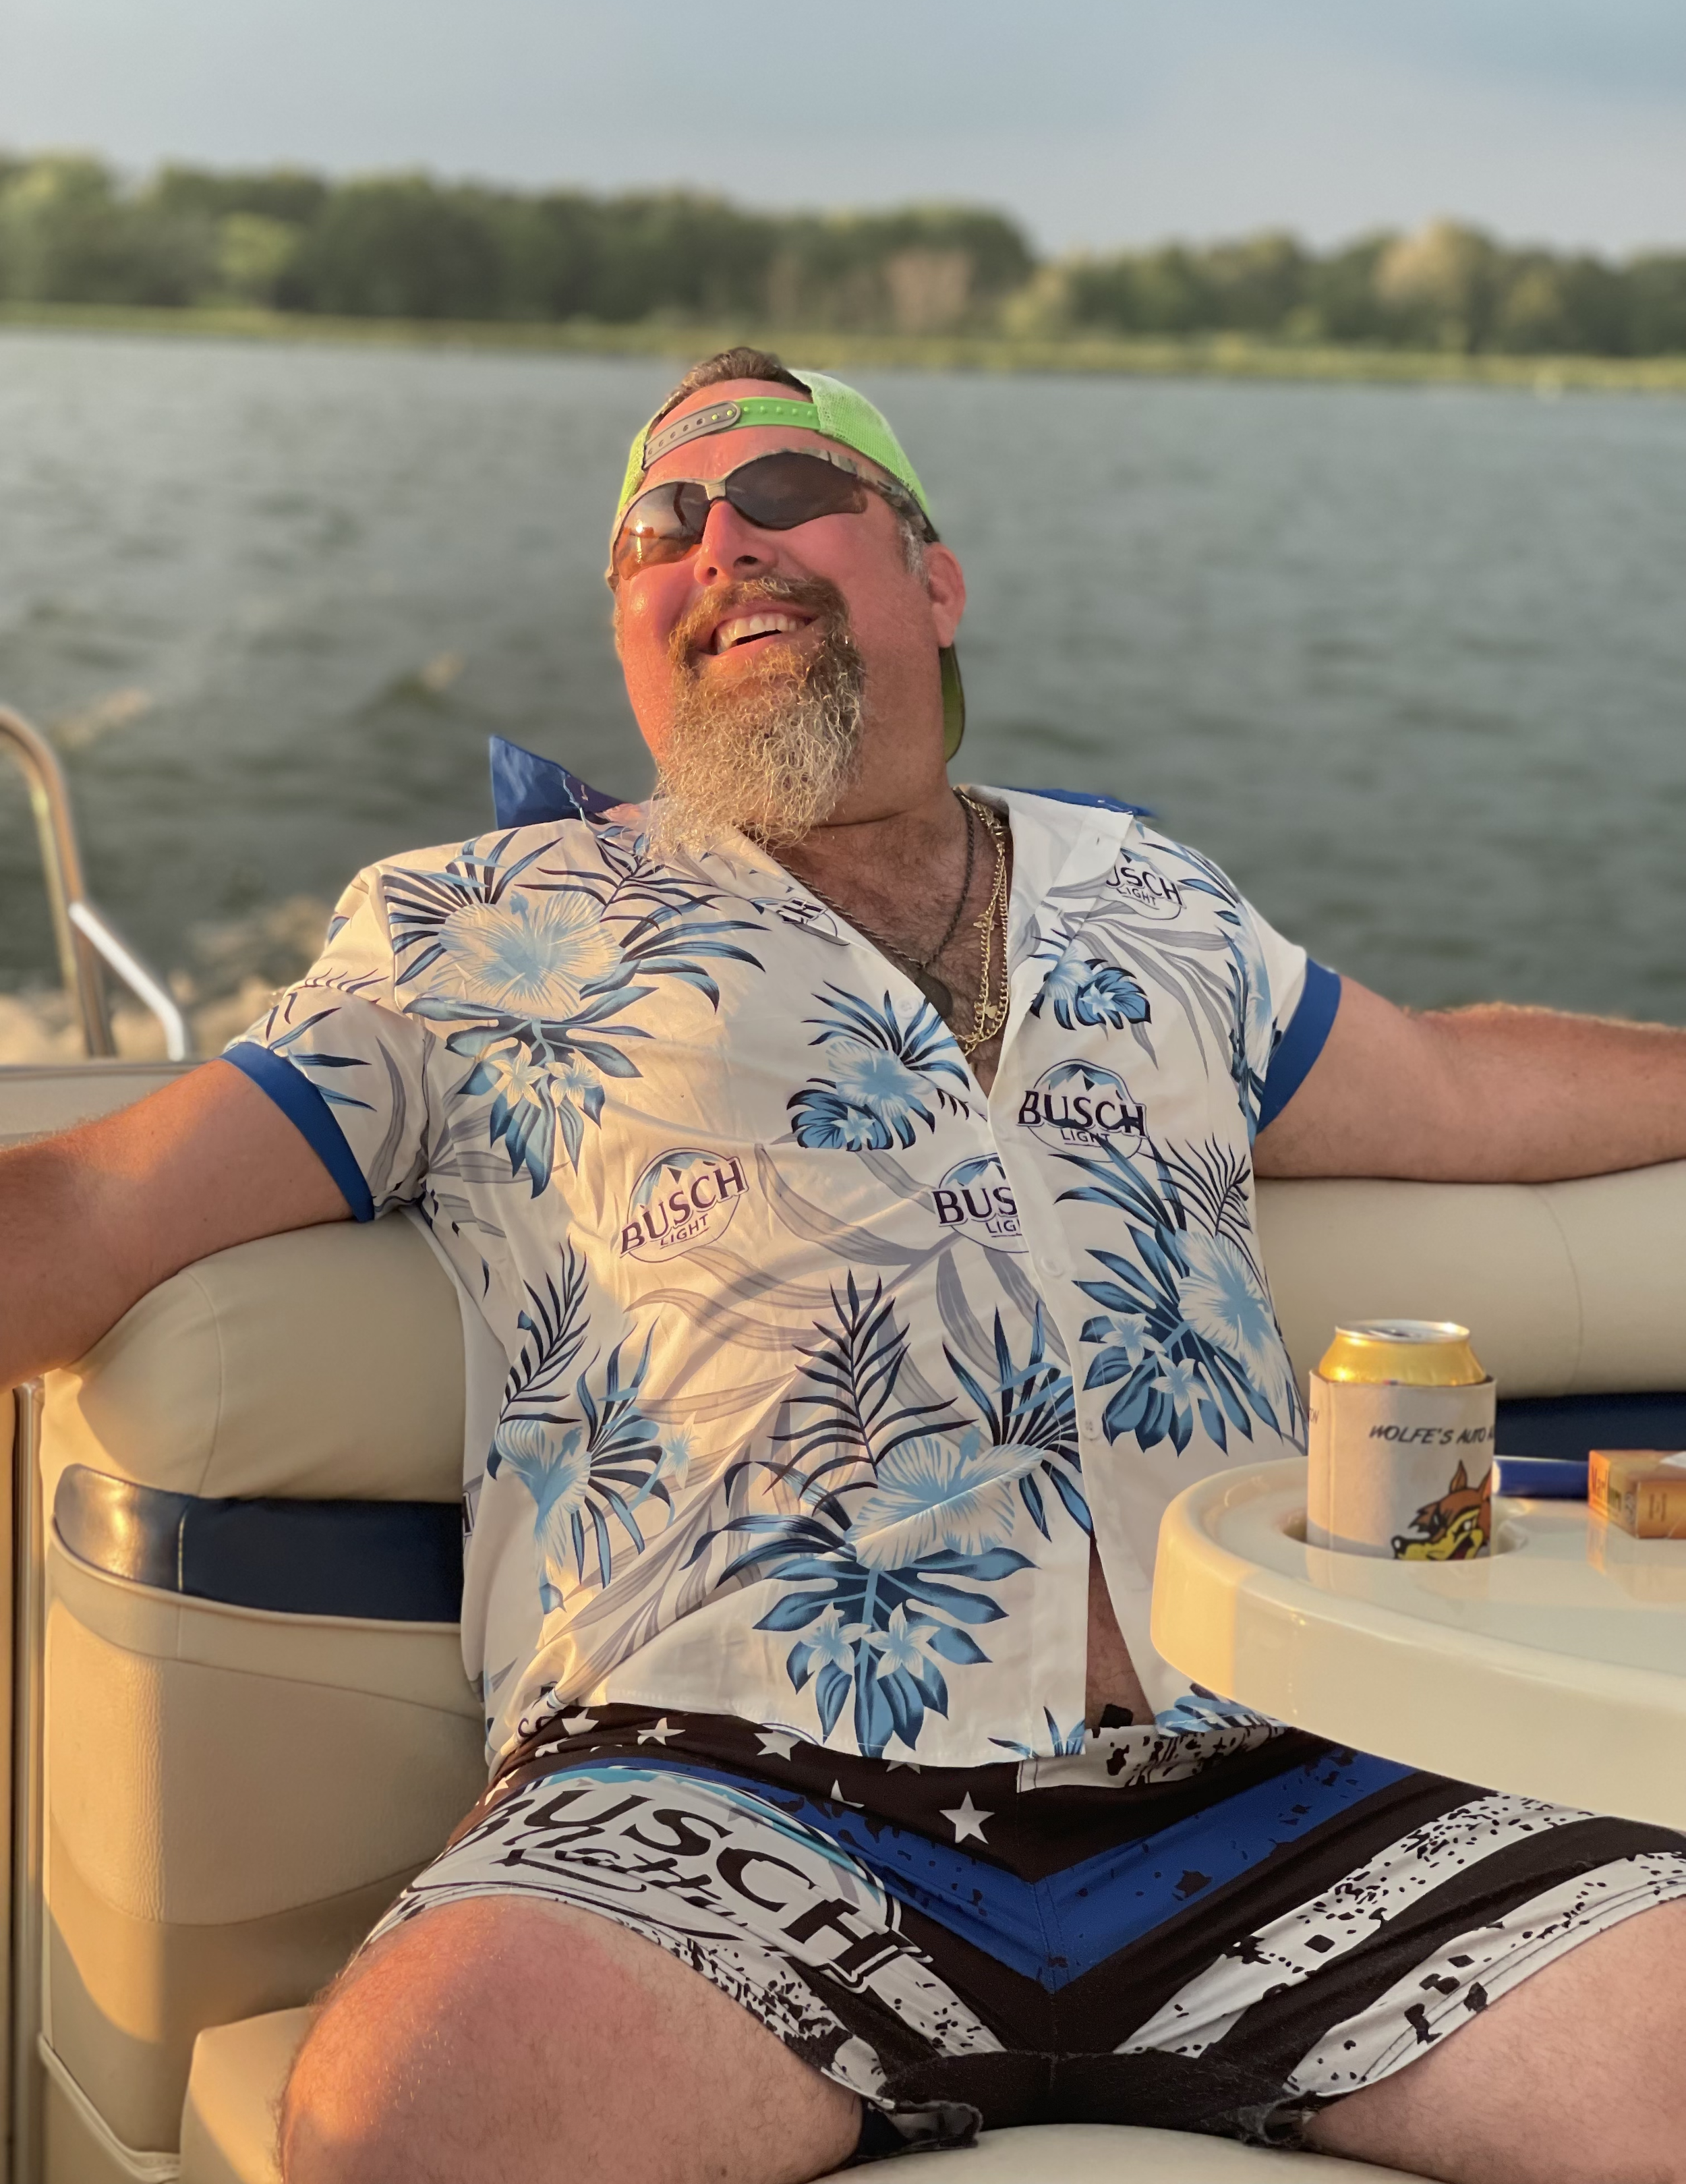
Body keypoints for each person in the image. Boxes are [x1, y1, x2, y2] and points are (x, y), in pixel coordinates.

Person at [4, 350, 1685, 2184]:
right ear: (631, 627)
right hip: (730, 1796)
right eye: (662, 523)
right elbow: (92, 1211)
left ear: (931, 576)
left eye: (787, 491)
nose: (721, 538)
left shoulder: (1155, 903)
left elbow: (1450, 1082)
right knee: (404, 2125)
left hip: (1290, 1771)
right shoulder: (477, 931)